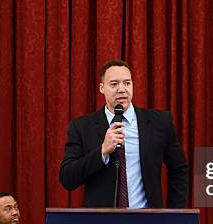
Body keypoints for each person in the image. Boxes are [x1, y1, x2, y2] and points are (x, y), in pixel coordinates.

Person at [59, 59, 189, 208]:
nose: (122, 89)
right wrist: (102, 151)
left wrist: (173, 215)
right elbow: (67, 178)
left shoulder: (159, 122)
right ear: (102, 88)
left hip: (147, 221)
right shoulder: (81, 127)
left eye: (127, 83)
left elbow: (179, 169)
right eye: (114, 84)